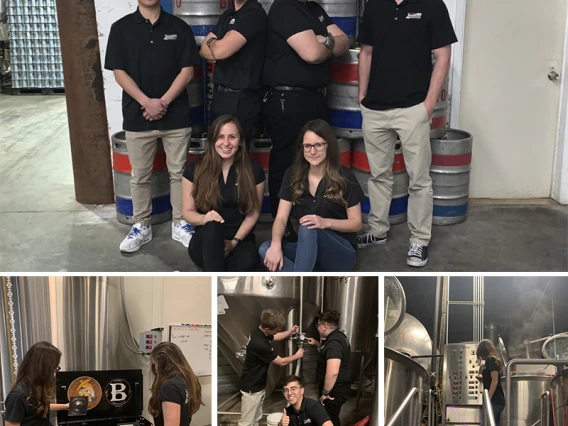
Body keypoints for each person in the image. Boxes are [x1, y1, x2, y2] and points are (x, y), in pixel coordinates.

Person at [356, 0, 458, 267]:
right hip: (375, 109)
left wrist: (428, 104)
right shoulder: (375, 6)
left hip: (413, 108)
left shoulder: (432, 5)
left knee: (419, 179)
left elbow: (443, 55)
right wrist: (362, 96)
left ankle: (419, 241)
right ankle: (377, 230)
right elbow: (366, 52)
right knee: (378, 175)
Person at [105, 0, 201, 253]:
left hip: (176, 116)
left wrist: (164, 102)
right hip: (138, 117)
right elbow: (119, 72)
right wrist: (146, 102)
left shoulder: (179, 27)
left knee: (179, 174)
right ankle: (141, 225)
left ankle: (181, 223)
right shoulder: (121, 28)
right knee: (140, 176)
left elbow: (188, 70)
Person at [262, 0, 349, 234]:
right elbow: (311, 54)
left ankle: (313, 218)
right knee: (288, 161)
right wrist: (325, 42)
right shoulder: (285, 8)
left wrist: (326, 42)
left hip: (316, 98)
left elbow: (344, 41)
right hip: (288, 99)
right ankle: (284, 223)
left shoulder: (315, 10)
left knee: (318, 158)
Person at [259, 120, 365, 272]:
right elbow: (281, 218)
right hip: (308, 247)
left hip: (341, 252)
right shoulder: (293, 175)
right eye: (307, 146)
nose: (312, 151)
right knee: (266, 249)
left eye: (318, 145)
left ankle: (301, 281)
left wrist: (325, 222)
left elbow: (356, 223)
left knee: (308, 227)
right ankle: (308, 272)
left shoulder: (345, 176)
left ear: (329, 145)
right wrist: (276, 244)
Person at [182, 115, 265, 271]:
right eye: (220, 137)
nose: (226, 143)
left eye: (232, 137)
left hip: (239, 239)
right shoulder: (194, 169)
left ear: (240, 141)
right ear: (213, 140)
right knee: (213, 225)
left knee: (248, 261)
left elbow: (253, 213)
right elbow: (187, 212)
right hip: (206, 238)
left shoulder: (253, 170)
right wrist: (204, 218)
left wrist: (234, 242)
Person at [199, 0, 267, 146]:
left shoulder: (253, 14)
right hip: (220, 96)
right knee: (217, 154)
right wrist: (217, 45)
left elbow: (219, 51)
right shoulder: (228, 15)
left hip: (241, 99)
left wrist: (213, 42)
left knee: (236, 156)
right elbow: (203, 51)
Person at [238, 309, 305, 426]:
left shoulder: (258, 332)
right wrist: (296, 356)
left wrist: (290, 332)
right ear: (267, 329)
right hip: (251, 389)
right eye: (276, 329)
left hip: (257, 385)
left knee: (256, 417)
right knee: (246, 422)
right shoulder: (259, 343)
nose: (277, 331)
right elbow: (282, 362)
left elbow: (275, 336)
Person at [4, 342, 69, 426]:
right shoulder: (17, 396)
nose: (54, 372)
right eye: (54, 368)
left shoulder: (35, 388)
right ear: (43, 368)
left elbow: (37, 408)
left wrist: (65, 406)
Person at [306, 311, 350, 426]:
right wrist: (317, 344)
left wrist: (325, 393)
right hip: (337, 388)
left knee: (329, 419)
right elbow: (328, 354)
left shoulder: (334, 343)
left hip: (333, 391)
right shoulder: (339, 336)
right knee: (331, 416)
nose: (317, 328)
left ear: (325, 325)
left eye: (318, 325)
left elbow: (333, 372)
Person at [149, 342, 204, 426]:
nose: (155, 370)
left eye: (155, 364)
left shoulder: (169, 387)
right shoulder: (188, 380)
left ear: (162, 363)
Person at [476, 340, 506, 424]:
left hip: (495, 401)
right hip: (495, 401)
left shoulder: (491, 360)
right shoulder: (488, 362)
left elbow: (494, 380)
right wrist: (482, 378)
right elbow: (491, 378)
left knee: (486, 423)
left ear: (483, 351)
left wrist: (488, 399)